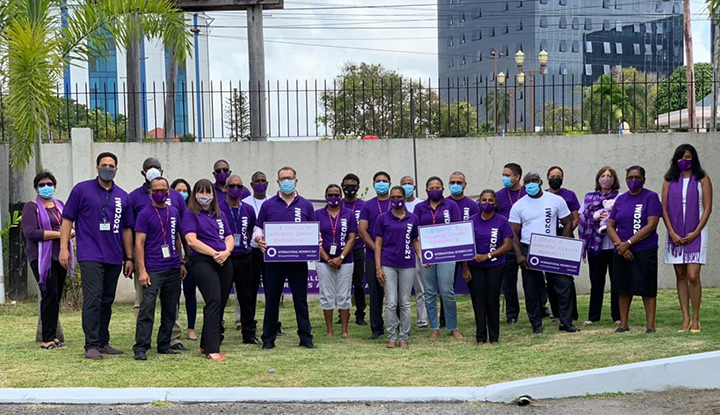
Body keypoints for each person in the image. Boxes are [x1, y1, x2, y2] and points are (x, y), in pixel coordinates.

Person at [60, 152, 134, 360]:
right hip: (90, 254)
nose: (107, 168)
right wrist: (64, 248)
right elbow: (67, 219)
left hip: (114, 256)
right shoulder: (81, 190)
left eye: (111, 165)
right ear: (97, 167)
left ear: (116, 169)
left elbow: (127, 228)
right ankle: (91, 344)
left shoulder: (122, 196)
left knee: (107, 300)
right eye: (104, 165)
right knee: (93, 298)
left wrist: (129, 258)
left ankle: (103, 342)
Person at [253, 167, 317, 350]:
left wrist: (317, 239)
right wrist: (259, 239)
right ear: (278, 182)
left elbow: (313, 229)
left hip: (298, 262)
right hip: (274, 262)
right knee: (272, 301)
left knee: (300, 301)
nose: (286, 181)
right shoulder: (268, 204)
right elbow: (258, 228)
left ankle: (306, 338)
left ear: (296, 181)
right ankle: (268, 339)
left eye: (290, 178)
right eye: (283, 178)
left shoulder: (306, 205)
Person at [128, 157, 187, 351]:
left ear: (168, 192)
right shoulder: (145, 213)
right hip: (152, 269)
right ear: (150, 193)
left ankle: (164, 344)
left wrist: (181, 262)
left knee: (171, 308)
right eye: (156, 191)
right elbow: (139, 243)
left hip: (172, 267)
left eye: (163, 191)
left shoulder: (174, 211)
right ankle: (141, 346)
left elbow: (177, 238)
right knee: (147, 309)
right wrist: (142, 270)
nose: (160, 194)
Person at [509, 172, 576, 334]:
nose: (531, 184)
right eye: (528, 182)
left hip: (551, 247)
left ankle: (566, 322)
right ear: (524, 185)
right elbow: (513, 234)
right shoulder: (519, 205)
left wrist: (562, 244)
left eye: (534, 181)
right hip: (528, 248)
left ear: (540, 182)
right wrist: (519, 255)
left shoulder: (555, 200)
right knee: (531, 288)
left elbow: (568, 222)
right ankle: (536, 324)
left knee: (563, 284)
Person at [662, 144, 713, 333]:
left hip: (696, 232)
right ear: (675, 160)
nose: (685, 160)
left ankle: (697, 317)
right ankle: (685, 318)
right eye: (681, 157)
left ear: (694, 158)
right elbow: (664, 209)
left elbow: (707, 209)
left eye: (689, 157)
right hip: (675, 232)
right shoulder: (669, 180)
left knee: (693, 276)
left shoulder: (702, 179)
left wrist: (696, 231)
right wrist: (672, 233)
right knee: (681, 275)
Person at [606, 166, 662, 334]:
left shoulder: (651, 197)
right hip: (621, 250)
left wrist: (628, 243)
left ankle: (650, 326)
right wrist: (620, 245)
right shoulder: (621, 199)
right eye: (630, 178)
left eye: (637, 177)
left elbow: (651, 225)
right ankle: (623, 324)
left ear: (644, 179)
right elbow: (610, 224)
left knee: (647, 288)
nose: (633, 181)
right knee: (623, 288)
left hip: (645, 249)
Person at [183, 179, 234, 360]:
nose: (205, 196)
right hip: (203, 261)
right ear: (195, 194)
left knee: (220, 302)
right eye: (201, 192)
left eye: (208, 192)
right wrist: (214, 253)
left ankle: (206, 343)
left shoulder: (219, 214)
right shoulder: (190, 214)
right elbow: (191, 240)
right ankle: (213, 349)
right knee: (213, 300)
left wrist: (226, 252)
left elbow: (229, 237)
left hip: (224, 260)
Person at [22, 171, 73, 350]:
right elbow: (31, 233)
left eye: (49, 184)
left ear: (55, 186)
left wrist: (68, 233)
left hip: (61, 255)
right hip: (41, 257)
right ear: (36, 188)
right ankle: (47, 339)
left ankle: (53, 335)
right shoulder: (31, 207)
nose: (46, 187)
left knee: (56, 295)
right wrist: (61, 234)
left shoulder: (60, 205)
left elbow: (69, 225)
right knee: (49, 293)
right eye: (42, 185)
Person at [462, 190, 514, 344]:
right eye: (484, 200)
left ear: (495, 203)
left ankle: (494, 336)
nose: (487, 203)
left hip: (495, 266)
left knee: (492, 300)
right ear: (479, 202)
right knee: (478, 302)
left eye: (490, 200)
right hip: (474, 267)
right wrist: (465, 268)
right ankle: (480, 337)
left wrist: (488, 255)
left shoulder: (502, 220)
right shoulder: (471, 221)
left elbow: (508, 245)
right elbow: (464, 246)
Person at [414, 176, 462, 339]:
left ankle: (453, 327)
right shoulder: (420, 207)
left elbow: (458, 228)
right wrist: (421, 256)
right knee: (429, 291)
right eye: (431, 187)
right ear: (426, 190)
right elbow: (415, 233)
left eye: (438, 187)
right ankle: (434, 327)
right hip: (427, 254)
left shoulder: (451, 205)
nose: (435, 190)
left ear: (443, 189)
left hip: (447, 253)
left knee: (447, 290)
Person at [375, 186, 422, 349]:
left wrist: (422, 257)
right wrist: (378, 268)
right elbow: (378, 244)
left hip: (407, 264)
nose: (397, 200)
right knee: (391, 302)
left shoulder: (413, 218)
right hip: (388, 263)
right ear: (390, 199)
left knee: (405, 302)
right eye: (393, 197)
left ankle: (404, 337)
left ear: (404, 198)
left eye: (399, 197)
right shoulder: (383, 218)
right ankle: (391, 336)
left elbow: (415, 240)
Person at [218, 174, 259, 345]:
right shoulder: (219, 208)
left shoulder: (248, 209)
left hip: (245, 257)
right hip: (226, 258)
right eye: (232, 186)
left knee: (246, 298)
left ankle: (249, 334)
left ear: (243, 190)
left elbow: (250, 231)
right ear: (226, 188)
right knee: (220, 297)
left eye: (239, 187)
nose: (235, 189)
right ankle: (217, 334)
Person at [578, 167, 622, 325]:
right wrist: (595, 217)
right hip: (595, 246)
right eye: (603, 176)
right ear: (598, 179)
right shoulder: (589, 197)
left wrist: (610, 217)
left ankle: (617, 316)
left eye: (609, 176)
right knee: (596, 282)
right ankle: (593, 316)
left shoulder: (620, 197)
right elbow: (582, 216)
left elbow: (623, 216)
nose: (606, 178)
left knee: (616, 280)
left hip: (615, 245)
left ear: (614, 179)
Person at [240, 171, 281, 336]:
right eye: (257, 181)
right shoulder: (244, 203)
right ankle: (250, 324)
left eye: (263, 181)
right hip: (252, 252)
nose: (260, 183)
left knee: (272, 290)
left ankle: (273, 324)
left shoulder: (273, 202)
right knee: (250, 291)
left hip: (271, 252)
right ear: (251, 185)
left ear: (268, 183)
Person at [316, 184, 358, 337]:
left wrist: (340, 258)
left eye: (336, 195)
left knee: (344, 295)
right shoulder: (317, 214)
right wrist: (327, 259)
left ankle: (344, 330)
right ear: (325, 197)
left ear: (340, 197)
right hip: (323, 261)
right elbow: (315, 239)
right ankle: (329, 330)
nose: (333, 198)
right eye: (330, 195)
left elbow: (352, 238)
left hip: (345, 261)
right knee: (327, 294)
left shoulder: (349, 214)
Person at [442, 170, 480, 328]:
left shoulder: (472, 205)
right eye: (452, 182)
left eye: (459, 182)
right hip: (447, 253)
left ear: (465, 185)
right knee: (446, 288)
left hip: (468, 253)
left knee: (474, 286)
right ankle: (444, 321)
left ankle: (479, 316)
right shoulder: (443, 203)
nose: (455, 185)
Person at [358, 171, 392, 340]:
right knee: (376, 293)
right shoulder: (368, 205)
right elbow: (362, 231)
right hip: (372, 255)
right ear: (373, 185)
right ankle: (377, 328)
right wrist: (377, 249)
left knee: (395, 294)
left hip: (394, 256)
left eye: (384, 181)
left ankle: (396, 325)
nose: (381, 183)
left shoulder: (396, 203)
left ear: (390, 184)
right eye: (378, 181)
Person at [545, 166, 581, 322]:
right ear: (547, 178)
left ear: (562, 178)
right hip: (548, 240)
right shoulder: (543, 195)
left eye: (558, 176)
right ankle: (557, 313)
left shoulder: (569, 195)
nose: (555, 178)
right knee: (550, 277)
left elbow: (575, 218)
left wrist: (566, 234)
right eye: (552, 176)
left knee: (566, 277)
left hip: (565, 238)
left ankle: (571, 314)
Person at [496, 163, 525, 324]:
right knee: (509, 281)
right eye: (503, 175)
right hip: (507, 244)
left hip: (526, 242)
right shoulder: (499, 195)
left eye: (507, 175)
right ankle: (512, 314)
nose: (504, 178)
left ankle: (540, 308)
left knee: (534, 280)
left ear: (517, 177)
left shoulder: (527, 193)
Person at [399, 175, 428, 329]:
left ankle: (422, 319)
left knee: (420, 288)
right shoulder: (396, 206)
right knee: (401, 292)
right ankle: (402, 321)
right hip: (401, 252)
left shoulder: (421, 205)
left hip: (417, 250)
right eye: (404, 184)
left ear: (415, 187)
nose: (407, 186)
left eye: (410, 184)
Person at [171, 178, 198, 341]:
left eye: (185, 190)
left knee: (190, 294)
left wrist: (188, 256)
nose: (182, 194)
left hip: (190, 258)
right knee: (174, 295)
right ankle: (175, 327)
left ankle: (191, 328)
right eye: (178, 190)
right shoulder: (169, 210)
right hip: (173, 258)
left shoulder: (193, 211)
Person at [340, 173, 367, 326]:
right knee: (342, 284)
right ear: (342, 186)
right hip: (340, 249)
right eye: (347, 185)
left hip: (357, 248)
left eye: (353, 186)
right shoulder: (339, 204)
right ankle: (342, 313)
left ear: (358, 187)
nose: (350, 188)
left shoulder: (363, 205)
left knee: (358, 282)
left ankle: (360, 314)